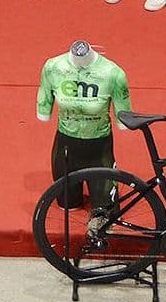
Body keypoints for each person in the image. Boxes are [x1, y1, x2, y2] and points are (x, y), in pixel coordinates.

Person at [36, 40, 131, 208]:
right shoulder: (53, 68)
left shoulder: (113, 73)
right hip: (65, 146)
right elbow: (43, 106)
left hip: (99, 148)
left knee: (106, 209)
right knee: (67, 205)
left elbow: (124, 117)